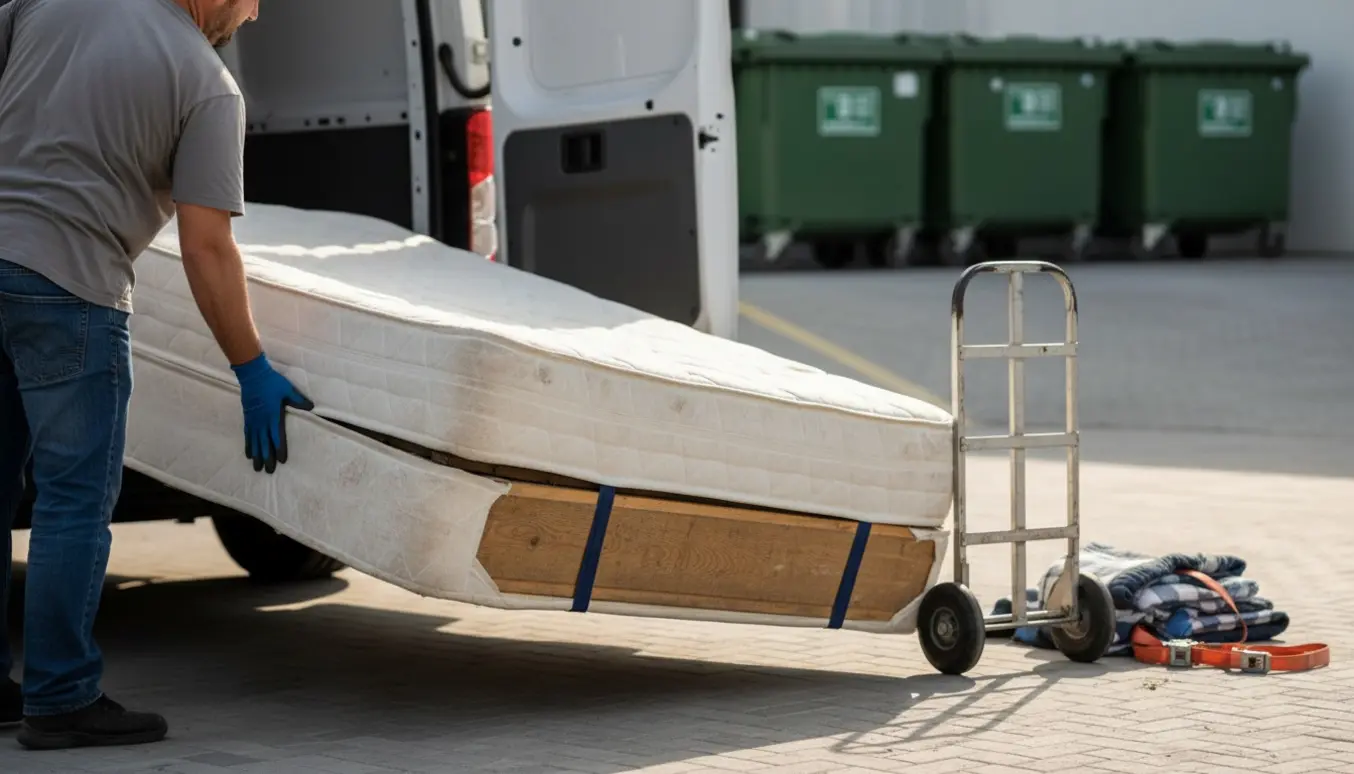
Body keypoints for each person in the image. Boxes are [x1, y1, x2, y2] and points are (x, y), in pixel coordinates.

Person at [0, 0, 313, 751]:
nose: (257, 13)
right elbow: (207, 247)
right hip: (71, 288)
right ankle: (61, 697)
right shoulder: (207, 85)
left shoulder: (51, 4)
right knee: (73, 502)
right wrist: (251, 366)